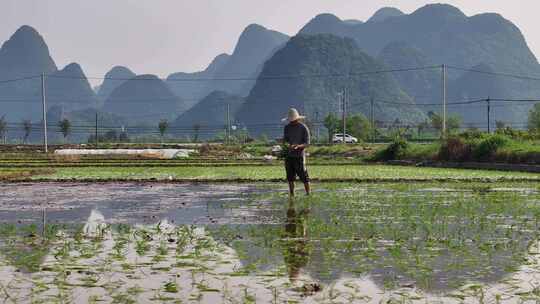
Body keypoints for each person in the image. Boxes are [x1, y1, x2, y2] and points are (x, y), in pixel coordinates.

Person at [283, 108, 311, 197]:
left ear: (297, 119)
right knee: (290, 177)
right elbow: (286, 140)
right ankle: (292, 194)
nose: (292, 122)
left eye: (293, 120)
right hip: (289, 155)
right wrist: (286, 144)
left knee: (303, 176)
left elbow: (307, 143)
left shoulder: (303, 128)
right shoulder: (287, 128)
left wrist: (298, 146)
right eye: (290, 121)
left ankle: (308, 193)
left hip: (299, 156)